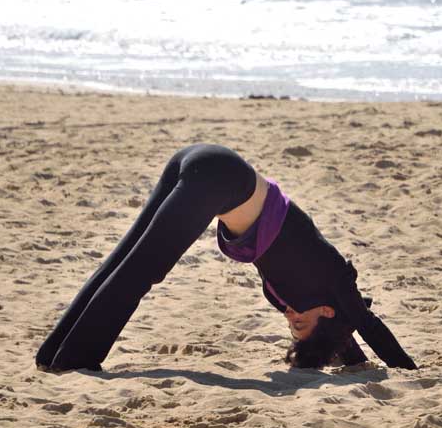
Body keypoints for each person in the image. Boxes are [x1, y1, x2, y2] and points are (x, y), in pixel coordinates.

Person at [36, 144, 417, 373]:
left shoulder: (304, 303)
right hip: (219, 177)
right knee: (141, 271)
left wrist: (348, 363)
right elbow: (365, 324)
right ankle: (76, 358)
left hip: (202, 167)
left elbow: (335, 337)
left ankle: (53, 351)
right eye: (301, 324)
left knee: (125, 258)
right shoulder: (336, 280)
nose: (290, 318)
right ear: (329, 314)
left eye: (292, 326)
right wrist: (406, 370)